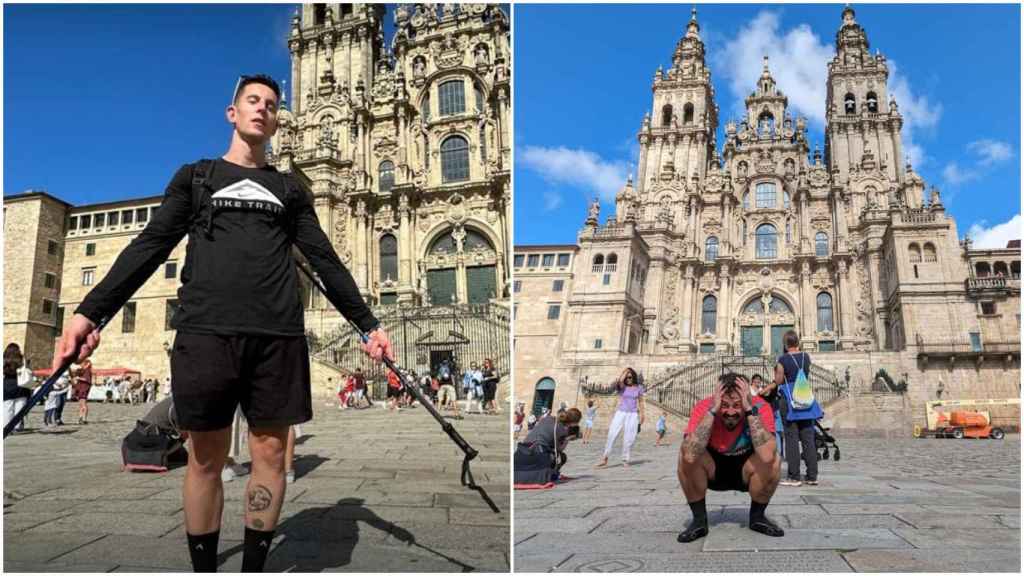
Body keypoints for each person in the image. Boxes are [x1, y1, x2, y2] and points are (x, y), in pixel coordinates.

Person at [51, 74, 393, 573]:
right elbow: (149, 247)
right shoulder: (197, 177)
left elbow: (323, 259)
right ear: (232, 113)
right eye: (252, 101)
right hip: (206, 332)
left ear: (279, 121)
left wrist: (368, 324)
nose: (262, 109)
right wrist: (90, 311)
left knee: (271, 457)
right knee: (206, 458)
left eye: (272, 105)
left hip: (278, 337)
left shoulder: (289, 190)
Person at [677, 372, 783, 542]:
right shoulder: (704, 406)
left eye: (737, 405)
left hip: (747, 469)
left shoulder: (760, 407)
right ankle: (699, 521)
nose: (731, 411)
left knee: (774, 460)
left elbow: (767, 455)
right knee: (685, 454)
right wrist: (712, 410)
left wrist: (749, 410)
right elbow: (689, 455)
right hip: (712, 468)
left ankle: (757, 517)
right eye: (725, 405)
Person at [773, 330, 823, 486]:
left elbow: (779, 380)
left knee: (791, 438)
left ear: (786, 344)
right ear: (798, 342)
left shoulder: (783, 359)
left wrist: (777, 372)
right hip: (805, 399)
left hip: (790, 401)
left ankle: (794, 476)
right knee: (808, 438)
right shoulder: (805, 357)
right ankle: (812, 476)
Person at [516, 407, 583, 483]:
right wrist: (568, 439)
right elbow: (559, 449)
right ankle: (551, 475)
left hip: (522, 449)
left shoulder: (548, 418)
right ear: (574, 422)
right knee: (561, 457)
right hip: (536, 453)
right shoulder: (561, 429)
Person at [596, 368, 646, 468]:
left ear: (634, 377)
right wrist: (625, 372)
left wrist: (643, 414)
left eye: (630, 377)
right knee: (612, 434)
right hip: (621, 413)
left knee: (630, 437)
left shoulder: (639, 388)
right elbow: (619, 381)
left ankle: (625, 459)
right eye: (627, 377)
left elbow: (640, 401)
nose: (628, 379)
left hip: (633, 414)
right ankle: (605, 458)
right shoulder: (622, 387)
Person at [752, 373, 784, 458]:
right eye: (756, 380)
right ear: (752, 381)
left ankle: (775, 452)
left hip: (767, 415)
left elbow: (770, 394)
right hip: (758, 415)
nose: (757, 382)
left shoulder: (764, 392)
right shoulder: (752, 391)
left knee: (773, 434)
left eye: (759, 380)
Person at [3, 343, 33, 432]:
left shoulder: (4, 359)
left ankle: (6, 427)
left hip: (7, 386)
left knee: (7, 408)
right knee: (19, 409)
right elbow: (28, 371)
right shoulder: (21, 359)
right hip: (21, 386)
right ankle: (17, 427)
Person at [72, 359, 93, 425]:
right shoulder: (82, 370)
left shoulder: (87, 371)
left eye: (82, 364)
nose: (81, 365)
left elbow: (87, 379)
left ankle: (84, 419)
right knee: (81, 405)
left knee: (83, 404)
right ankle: (80, 418)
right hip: (80, 388)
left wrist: (78, 378)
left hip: (84, 389)